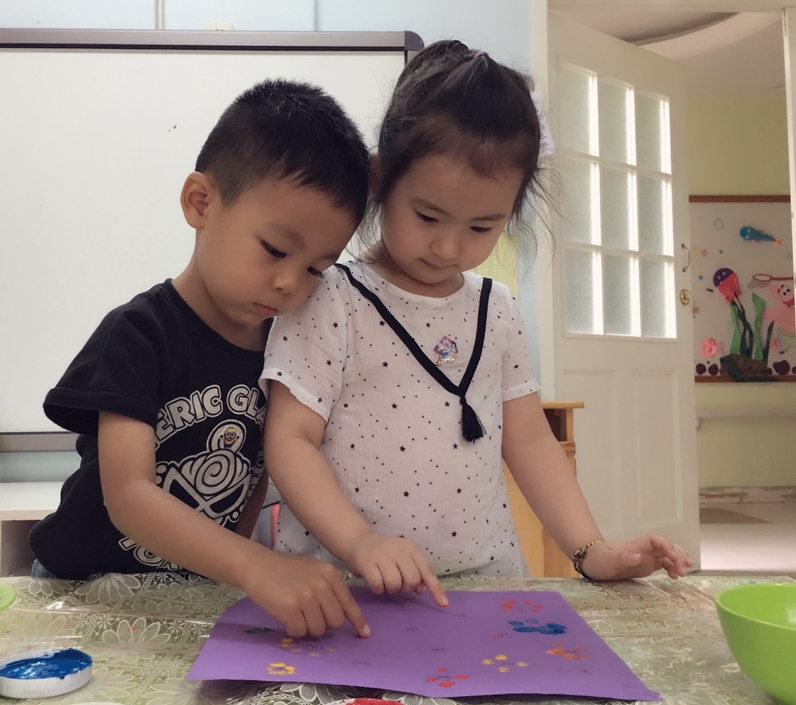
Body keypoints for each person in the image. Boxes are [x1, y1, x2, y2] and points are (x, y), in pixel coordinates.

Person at [261, 41, 694, 605]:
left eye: (481, 227)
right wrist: (360, 542)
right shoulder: (330, 299)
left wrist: (591, 551)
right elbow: (290, 439)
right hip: (345, 590)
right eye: (427, 216)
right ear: (380, 179)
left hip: (484, 586)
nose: (448, 247)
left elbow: (531, 440)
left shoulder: (498, 308)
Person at [28, 79, 373, 639]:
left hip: (189, 595)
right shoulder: (139, 332)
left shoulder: (285, 349)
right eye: (275, 250)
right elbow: (129, 495)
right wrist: (257, 566)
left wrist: (237, 573)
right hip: (84, 589)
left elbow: (255, 475)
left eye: (316, 269)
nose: (289, 283)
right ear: (200, 203)